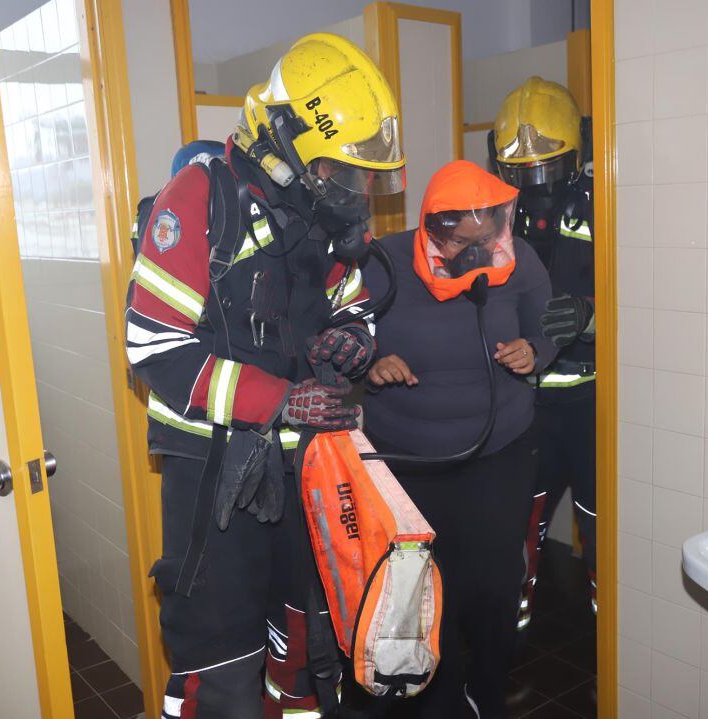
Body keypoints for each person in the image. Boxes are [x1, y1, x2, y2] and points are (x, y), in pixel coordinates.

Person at [124, 33, 405, 718]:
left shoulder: (319, 214)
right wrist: (280, 400)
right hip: (213, 475)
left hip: (306, 472)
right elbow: (152, 346)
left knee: (308, 655)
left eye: (364, 176)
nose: (356, 190)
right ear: (286, 142)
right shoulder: (199, 198)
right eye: (342, 170)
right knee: (221, 673)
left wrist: (351, 342)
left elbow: (355, 308)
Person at [360, 160, 557, 718]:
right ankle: (440, 702)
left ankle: (487, 692)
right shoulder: (384, 261)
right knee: (427, 588)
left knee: (494, 586)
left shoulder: (519, 260)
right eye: (460, 240)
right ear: (432, 227)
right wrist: (371, 363)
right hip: (409, 462)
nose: (475, 251)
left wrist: (535, 352)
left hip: (500, 452)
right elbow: (345, 335)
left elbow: (546, 330)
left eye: (486, 237)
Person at [491, 76, 598, 632]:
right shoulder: (493, 222)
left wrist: (590, 315)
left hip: (592, 404)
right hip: (525, 409)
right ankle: (513, 631)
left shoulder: (606, 209)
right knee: (518, 523)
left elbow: (648, 304)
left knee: (602, 526)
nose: (536, 185)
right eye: (522, 173)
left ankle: (612, 636)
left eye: (547, 169)